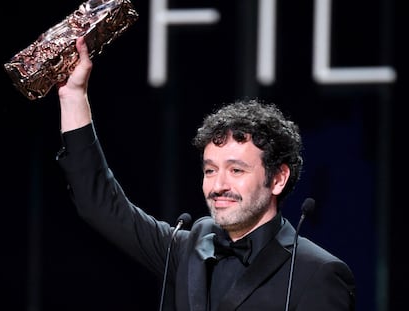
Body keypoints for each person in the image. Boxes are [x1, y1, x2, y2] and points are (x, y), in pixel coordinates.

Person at [56, 37, 356, 310]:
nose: (218, 185)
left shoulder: (318, 272)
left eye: (236, 170)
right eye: (210, 170)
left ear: (278, 178)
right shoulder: (190, 247)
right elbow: (101, 205)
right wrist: (73, 97)